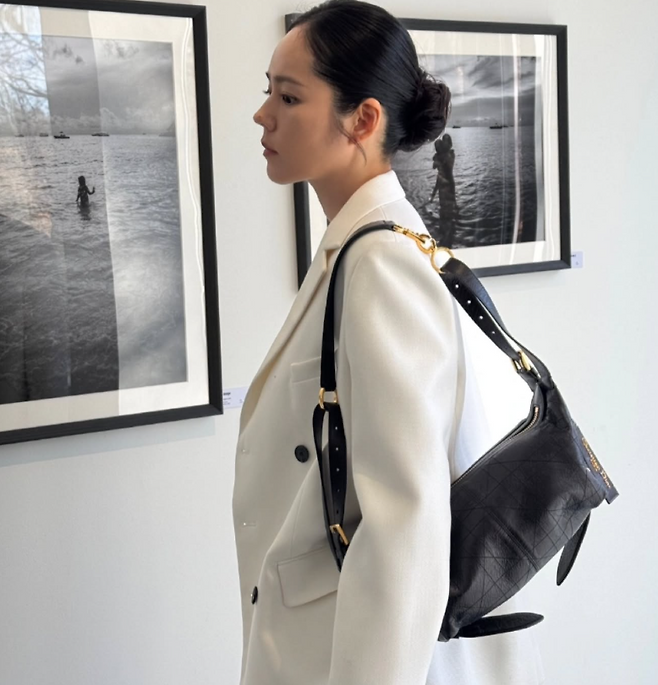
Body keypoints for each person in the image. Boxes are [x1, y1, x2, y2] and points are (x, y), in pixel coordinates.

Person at [235, 1, 546, 684]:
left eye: (289, 97)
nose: (263, 115)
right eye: (269, 92)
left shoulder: (380, 264)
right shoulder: (360, 250)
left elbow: (406, 527)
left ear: (363, 119)